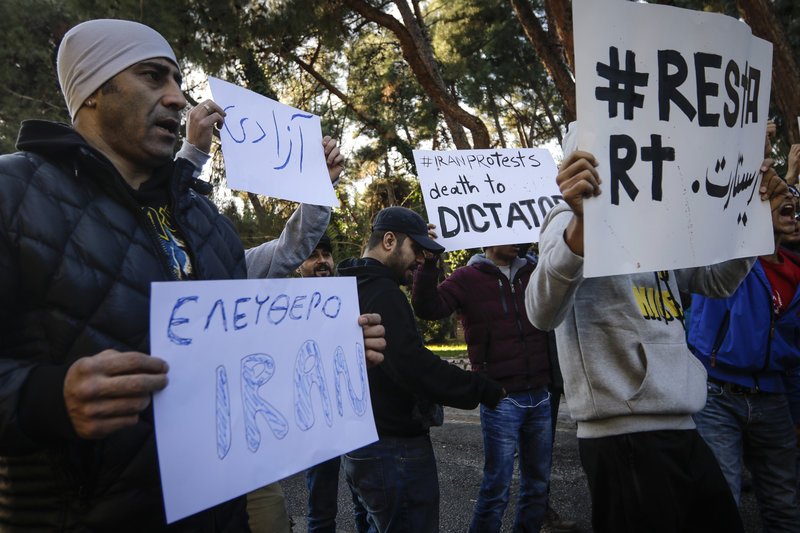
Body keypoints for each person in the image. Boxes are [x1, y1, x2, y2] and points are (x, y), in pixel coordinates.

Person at [0, 18, 385, 531]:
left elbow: (244, 339)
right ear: (91, 90)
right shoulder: (14, 195)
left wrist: (328, 349)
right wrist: (49, 398)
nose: (178, 99)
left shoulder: (207, 222)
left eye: (177, 81)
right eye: (153, 77)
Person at [524, 122, 784, 533]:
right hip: (622, 435)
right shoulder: (564, 219)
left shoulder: (659, 222)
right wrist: (581, 224)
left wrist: (754, 223)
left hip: (681, 423)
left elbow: (716, 280)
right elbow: (541, 310)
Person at [338, 206, 506, 532]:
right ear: (389, 241)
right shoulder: (383, 293)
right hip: (393, 448)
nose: (419, 260)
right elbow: (413, 366)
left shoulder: (346, 287)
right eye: (415, 249)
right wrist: (481, 388)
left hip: (358, 446)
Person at [411, 243, 556, 532]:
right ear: (488, 238)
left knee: (538, 486)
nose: (517, 239)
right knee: (497, 487)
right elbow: (428, 308)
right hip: (501, 399)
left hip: (541, 394)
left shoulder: (536, 271)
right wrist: (427, 266)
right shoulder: (466, 277)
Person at [687, 172, 800, 529]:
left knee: (785, 506)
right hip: (718, 396)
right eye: (780, 201)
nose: (790, 207)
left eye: (795, 206)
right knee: (722, 504)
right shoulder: (726, 260)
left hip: (774, 398)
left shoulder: (797, 273)